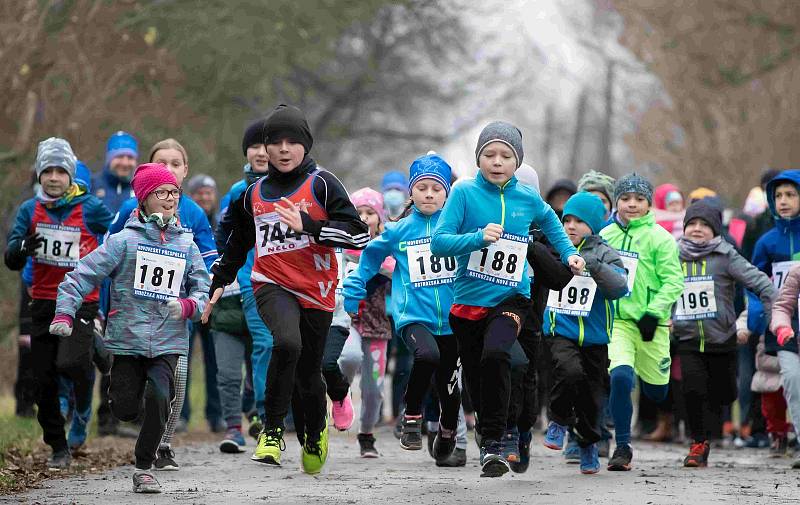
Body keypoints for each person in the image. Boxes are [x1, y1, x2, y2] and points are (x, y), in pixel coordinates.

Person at [207, 104, 369, 474]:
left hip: (317, 289)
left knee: (309, 372)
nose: (282, 149)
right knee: (286, 343)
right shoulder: (254, 193)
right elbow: (239, 242)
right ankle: (273, 430)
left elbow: (358, 234)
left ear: (305, 145)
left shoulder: (323, 184)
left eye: (291, 141)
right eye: (274, 142)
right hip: (271, 283)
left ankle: (314, 431)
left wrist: (311, 226)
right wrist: (219, 281)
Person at [431, 121, 583, 477]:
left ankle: (495, 443)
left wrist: (570, 253)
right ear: (478, 159)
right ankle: (489, 428)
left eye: (505, 155)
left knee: (498, 353)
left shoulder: (527, 197)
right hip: (468, 301)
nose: (497, 161)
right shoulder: (463, 193)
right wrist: (477, 238)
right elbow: (439, 242)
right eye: (489, 154)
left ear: (517, 162)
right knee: (477, 373)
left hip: (512, 299)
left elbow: (552, 224)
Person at [50, 162, 210, 493]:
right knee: (124, 408)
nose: (169, 199)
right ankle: (101, 352)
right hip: (126, 340)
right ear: (143, 200)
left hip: (169, 339)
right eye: (160, 193)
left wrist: (187, 305)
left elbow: (202, 290)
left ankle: (144, 466)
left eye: (174, 192)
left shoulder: (186, 244)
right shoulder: (124, 242)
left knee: (159, 395)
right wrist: (65, 313)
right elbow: (81, 275)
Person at [107, 138, 220, 470]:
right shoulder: (131, 210)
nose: (169, 169)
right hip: (132, 315)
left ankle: (163, 444)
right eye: (161, 162)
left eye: (175, 163)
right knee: (133, 393)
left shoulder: (194, 212)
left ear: (185, 170)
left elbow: (208, 263)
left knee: (177, 378)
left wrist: (201, 301)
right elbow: (106, 259)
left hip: (174, 312)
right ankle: (141, 416)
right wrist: (104, 310)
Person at [344, 155, 463, 465]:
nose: (428, 194)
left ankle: (448, 432)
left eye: (436, 189)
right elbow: (370, 256)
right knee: (427, 356)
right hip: (413, 317)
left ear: (446, 194)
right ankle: (411, 416)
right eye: (422, 188)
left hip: (453, 319)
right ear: (412, 193)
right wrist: (355, 285)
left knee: (450, 384)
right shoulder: (400, 230)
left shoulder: (456, 226)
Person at [4, 138, 113, 469]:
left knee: (70, 364)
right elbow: (10, 257)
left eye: (60, 171)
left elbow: (119, 234)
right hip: (43, 302)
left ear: (71, 175)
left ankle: (82, 407)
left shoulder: (90, 207)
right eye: (47, 171)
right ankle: (58, 447)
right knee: (42, 380)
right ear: (39, 175)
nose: (53, 177)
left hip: (81, 301)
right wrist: (21, 246)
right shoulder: (29, 210)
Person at [673, 200, 774, 467]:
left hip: (723, 339)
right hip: (688, 337)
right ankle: (698, 443)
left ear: (716, 230)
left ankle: (713, 423)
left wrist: (774, 314)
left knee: (724, 393)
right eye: (692, 224)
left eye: (704, 225)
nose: (697, 229)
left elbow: (761, 282)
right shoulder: (673, 255)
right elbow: (657, 287)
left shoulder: (726, 256)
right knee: (693, 389)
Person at [599, 172, 684, 471]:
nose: (631, 204)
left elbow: (674, 281)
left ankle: (656, 394)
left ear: (649, 203)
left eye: (638, 199)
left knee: (656, 390)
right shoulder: (605, 235)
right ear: (616, 202)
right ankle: (622, 446)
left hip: (652, 326)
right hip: (618, 321)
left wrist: (654, 312)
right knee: (620, 377)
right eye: (625, 198)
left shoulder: (660, 238)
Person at [542, 192, 628, 474]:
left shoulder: (604, 252)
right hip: (561, 330)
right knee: (568, 372)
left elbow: (619, 287)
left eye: (579, 220)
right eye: (566, 220)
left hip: (594, 336)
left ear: (594, 224)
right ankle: (558, 419)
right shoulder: (556, 246)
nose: (571, 226)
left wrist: (592, 265)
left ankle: (587, 443)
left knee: (593, 396)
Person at [214, 119, 275, 440]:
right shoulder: (238, 193)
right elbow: (224, 238)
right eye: (254, 146)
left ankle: (265, 413)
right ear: (247, 152)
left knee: (271, 348)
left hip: (283, 280)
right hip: (249, 281)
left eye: (266, 146)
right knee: (259, 348)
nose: (261, 153)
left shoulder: (292, 187)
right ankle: (256, 419)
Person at [339, 188, 396, 457]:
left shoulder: (387, 245)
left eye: (369, 213)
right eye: (358, 212)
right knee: (348, 357)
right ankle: (341, 392)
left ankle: (367, 433)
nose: (364, 217)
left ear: (379, 217)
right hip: (348, 320)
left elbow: (396, 270)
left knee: (374, 387)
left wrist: (379, 263)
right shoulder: (339, 245)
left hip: (377, 323)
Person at [92, 131, 139, 437]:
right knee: (104, 351)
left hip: (133, 282)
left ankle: (133, 416)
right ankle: (104, 418)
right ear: (110, 158)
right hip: (102, 281)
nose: (124, 162)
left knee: (133, 350)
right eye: (119, 156)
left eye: (130, 157)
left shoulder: (142, 190)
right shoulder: (94, 188)